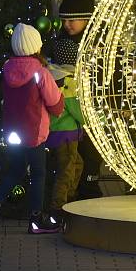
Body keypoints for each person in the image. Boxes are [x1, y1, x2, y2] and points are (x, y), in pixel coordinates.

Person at [0, 23, 63, 234]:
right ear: (36, 46)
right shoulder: (40, 73)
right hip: (34, 133)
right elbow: (55, 103)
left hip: (13, 133)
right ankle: (36, 219)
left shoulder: (7, 69)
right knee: (38, 174)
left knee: (16, 170)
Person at [52, 0, 103, 200]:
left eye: (72, 20)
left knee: (89, 157)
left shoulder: (99, 42)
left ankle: (87, 191)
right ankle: (84, 195)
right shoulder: (64, 45)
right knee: (81, 157)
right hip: (74, 113)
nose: (67, 25)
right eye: (64, 20)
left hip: (90, 109)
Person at [46, 63, 85, 218]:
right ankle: (59, 208)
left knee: (76, 164)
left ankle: (68, 200)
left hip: (56, 132)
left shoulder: (53, 76)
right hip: (67, 134)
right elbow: (78, 111)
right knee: (66, 171)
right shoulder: (68, 82)